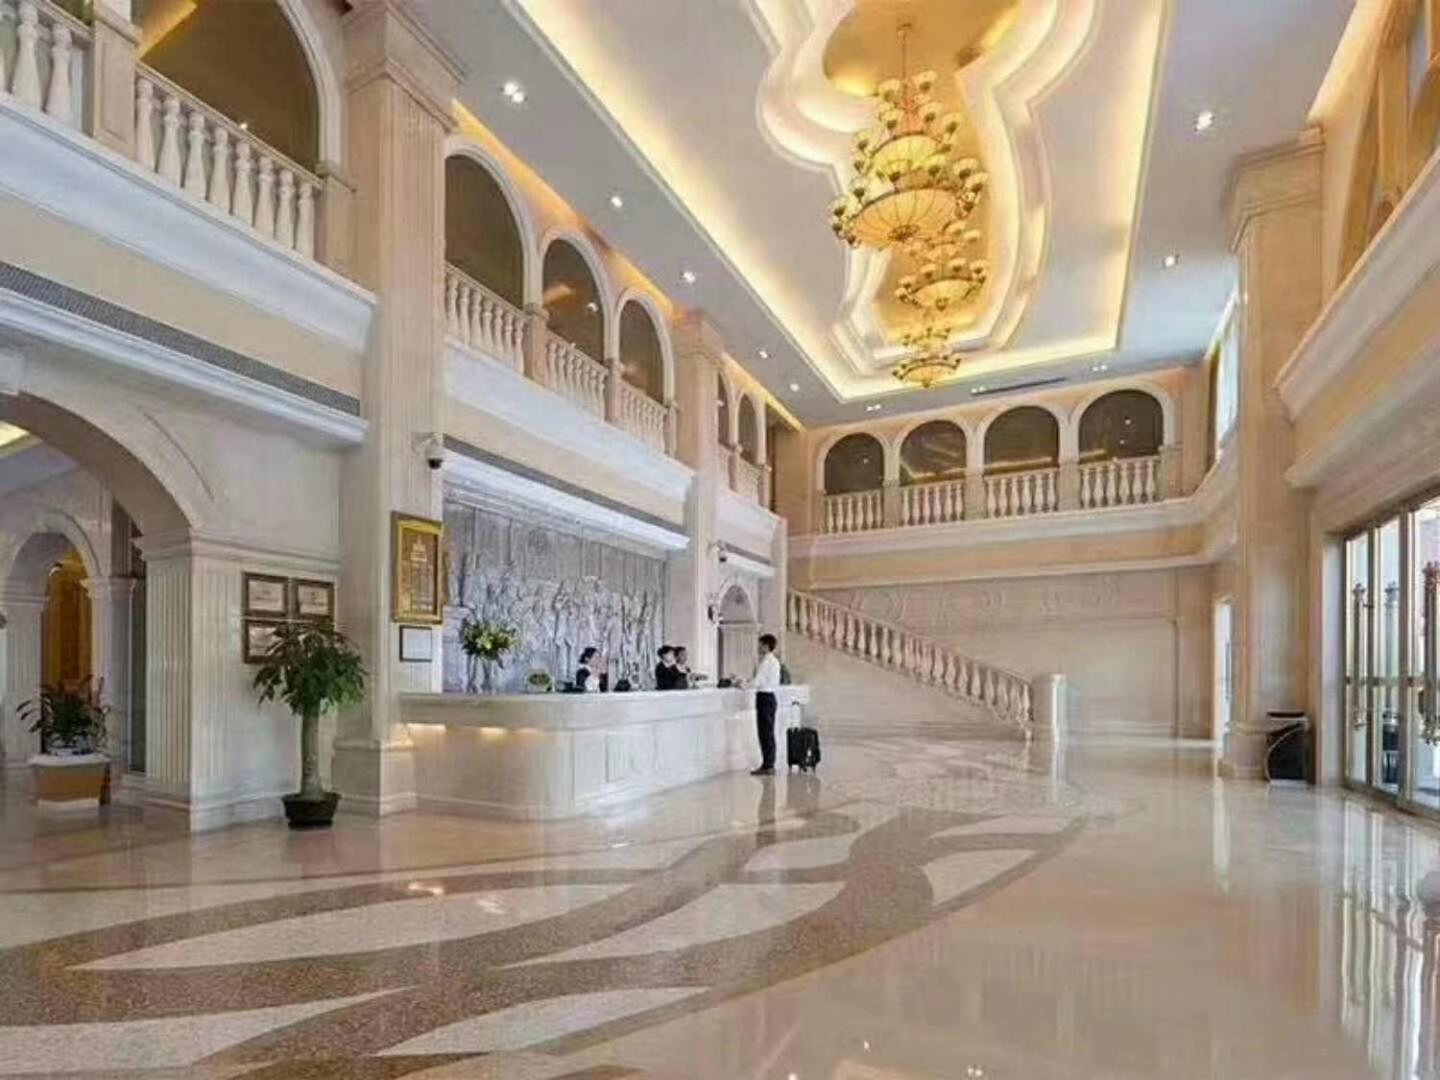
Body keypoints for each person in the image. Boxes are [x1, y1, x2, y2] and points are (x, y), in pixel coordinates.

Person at [750, 632, 781, 775]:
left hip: (764, 697)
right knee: (768, 732)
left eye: (760, 645)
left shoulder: (766, 662)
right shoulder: (774, 661)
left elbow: (757, 681)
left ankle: (768, 765)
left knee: (765, 732)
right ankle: (769, 763)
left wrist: (741, 684)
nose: (758, 647)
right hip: (770, 698)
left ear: (766, 646)